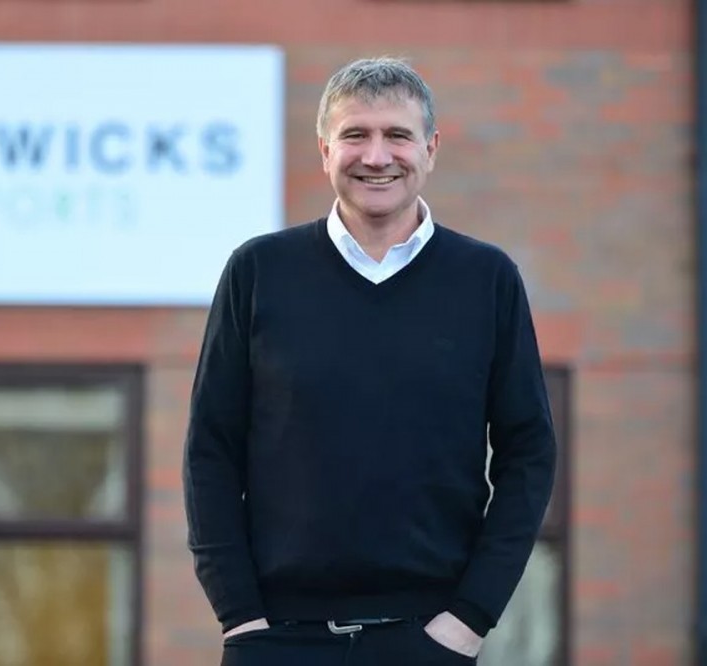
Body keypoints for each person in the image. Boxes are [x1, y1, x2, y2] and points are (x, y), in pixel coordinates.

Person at [182, 56, 557, 666]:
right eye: (355, 134)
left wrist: (470, 618)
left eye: (397, 135)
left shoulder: (486, 280)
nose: (377, 157)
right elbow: (210, 449)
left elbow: (529, 453)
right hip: (276, 640)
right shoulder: (259, 272)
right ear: (325, 150)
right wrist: (240, 616)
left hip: (429, 640)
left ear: (430, 149)